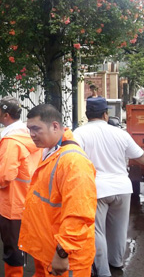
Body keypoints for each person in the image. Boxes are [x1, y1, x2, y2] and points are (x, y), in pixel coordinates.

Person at [18, 104, 97, 277]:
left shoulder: (73, 162)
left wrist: (62, 253)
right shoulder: (50, 151)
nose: (31, 134)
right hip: (47, 251)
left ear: (55, 126)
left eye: (36, 128)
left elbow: (79, 215)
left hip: (67, 261)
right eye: (29, 129)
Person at [73, 97, 144, 277]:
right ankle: (117, 262)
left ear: (87, 114)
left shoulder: (79, 134)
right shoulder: (121, 134)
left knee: (97, 231)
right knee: (119, 229)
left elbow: (73, 159)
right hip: (122, 188)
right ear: (106, 114)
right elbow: (141, 157)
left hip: (95, 189)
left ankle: (102, 271)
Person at [0, 96, 41, 277]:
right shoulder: (28, 134)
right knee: (37, 246)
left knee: (13, 250)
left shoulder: (11, 141)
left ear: (6, 115)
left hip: (13, 206)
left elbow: (4, 177)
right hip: (31, 201)